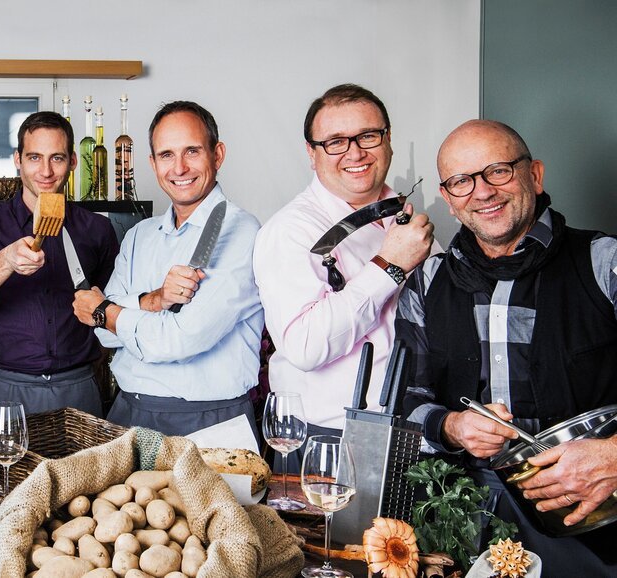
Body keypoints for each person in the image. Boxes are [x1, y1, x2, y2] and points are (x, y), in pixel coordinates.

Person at [397, 119, 617, 573]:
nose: (482, 192)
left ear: (534, 175)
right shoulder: (426, 281)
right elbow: (408, 402)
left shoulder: (605, 263)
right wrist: (453, 426)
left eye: (497, 170)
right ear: (449, 201)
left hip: (598, 521)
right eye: (461, 181)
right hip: (462, 519)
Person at [253, 84, 435, 466]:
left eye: (368, 136)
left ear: (388, 140)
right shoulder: (290, 231)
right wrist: (389, 266)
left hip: (416, 435)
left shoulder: (406, 220)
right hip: (328, 441)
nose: (355, 152)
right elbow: (304, 347)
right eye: (335, 142)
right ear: (311, 153)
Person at [72, 101, 264, 448]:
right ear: (153, 163)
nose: (179, 167)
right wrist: (154, 300)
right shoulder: (139, 236)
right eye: (166, 155)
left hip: (210, 423)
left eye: (192, 151)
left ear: (217, 154)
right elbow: (108, 338)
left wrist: (105, 311)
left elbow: (181, 339)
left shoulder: (241, 232)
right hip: (128, 416)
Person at [0, 111, 118, 421]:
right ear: (18, 159)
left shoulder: (97, 229)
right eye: (34, 157)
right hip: (6, 389)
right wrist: (5, 260)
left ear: (72, 162)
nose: (45, 171)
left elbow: (114, 309)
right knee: (5, 469)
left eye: (56, 158)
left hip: (80, 387)